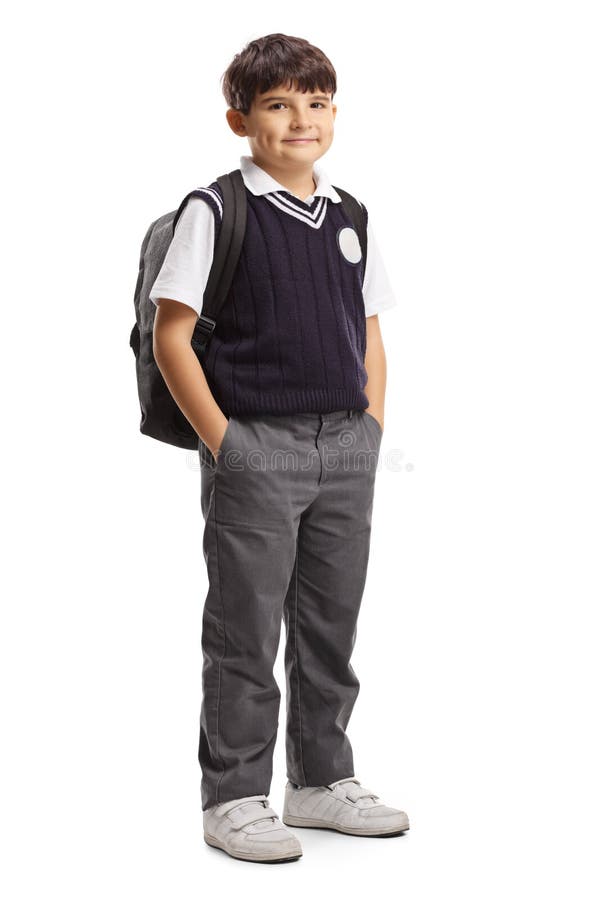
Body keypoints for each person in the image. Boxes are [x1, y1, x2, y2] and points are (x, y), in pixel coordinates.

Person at [149, 32, 409, 864]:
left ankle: (320, 782)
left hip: (345, 446)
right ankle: (232, 796)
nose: (302, 119)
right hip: (256, 444)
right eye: (279, 104)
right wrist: (229, 444)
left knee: (331, 625)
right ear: (241, 118)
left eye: (317, 101)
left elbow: (367, 328)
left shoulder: (351, 216)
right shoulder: (216, 209)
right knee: (245, 629)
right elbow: (172, 337)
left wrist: (369, 427)